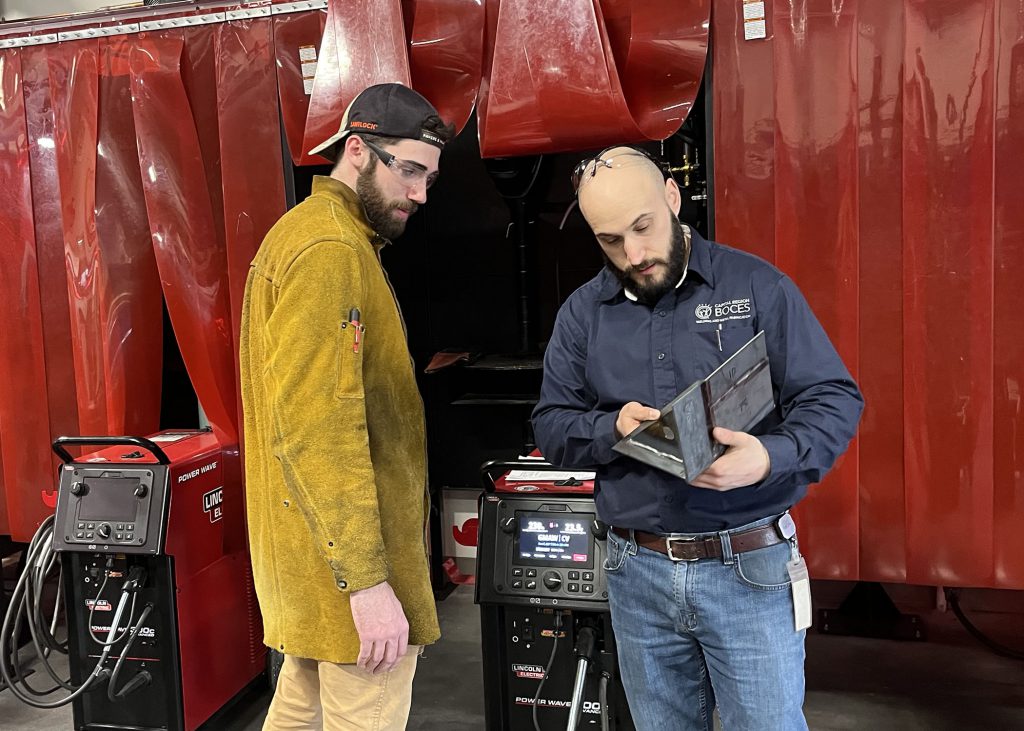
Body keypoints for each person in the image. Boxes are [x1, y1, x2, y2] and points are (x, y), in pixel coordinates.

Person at [532, 146, 864, 730]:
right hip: (637, 573)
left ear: (672, 198)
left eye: (643, 228)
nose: (634, 254)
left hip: (749, 568)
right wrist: (610, 429)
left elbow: (834, 399)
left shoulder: (758, 288)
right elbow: (553, 425)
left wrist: (766, 457)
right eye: (611, 241)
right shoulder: (583, 316)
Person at [239, 83, 455, 731]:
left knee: (299, 715)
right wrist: (367, 582)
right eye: (409, 170)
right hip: (349, 578)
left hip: (316, 571)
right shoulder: (330, 251)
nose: (419, 193)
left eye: (430, 177)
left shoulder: (316, 236)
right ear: (357, 150)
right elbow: (320, 428)